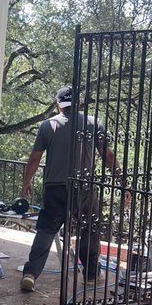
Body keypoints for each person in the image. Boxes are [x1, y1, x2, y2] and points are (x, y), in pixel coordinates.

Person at [20, 85, 123, 292]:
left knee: (46, 231)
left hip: (55, 187)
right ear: (79, 103)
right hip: (84, 187)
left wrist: (26, 183)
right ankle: (92, 275)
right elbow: (108, 156)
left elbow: (34, 158)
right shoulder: (94, 123)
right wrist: (121, 180)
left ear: (59, 105)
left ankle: (30, 274)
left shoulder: (48, 126)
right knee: (88, 230)